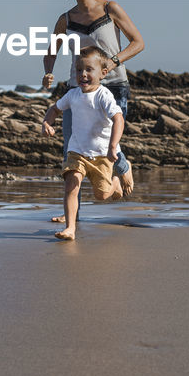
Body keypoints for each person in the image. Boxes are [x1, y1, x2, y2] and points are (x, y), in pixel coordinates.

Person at [40, 0, 144, 200]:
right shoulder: (66, 19)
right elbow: (51, 51)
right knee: (71, 148)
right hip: (77, 88)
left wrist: (114, 60)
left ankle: (122, 167)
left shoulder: (111, 9)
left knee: (104, 139)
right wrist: (48, 73)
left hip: (114, 85)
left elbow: (138, 42)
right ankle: (71, 215)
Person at [40, 45, 125, 240]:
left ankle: (115, 183)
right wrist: (46, 122)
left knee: (102, 195)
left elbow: (118, 118)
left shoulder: (103, 95)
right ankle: (70, 228)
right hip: (77, 151)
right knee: (71, 185)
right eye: (79, 70)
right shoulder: (72, 95)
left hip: (101, 154)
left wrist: (113, 146)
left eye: (89, 70)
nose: (83, 75)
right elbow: (54, 109)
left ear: (103, 73)